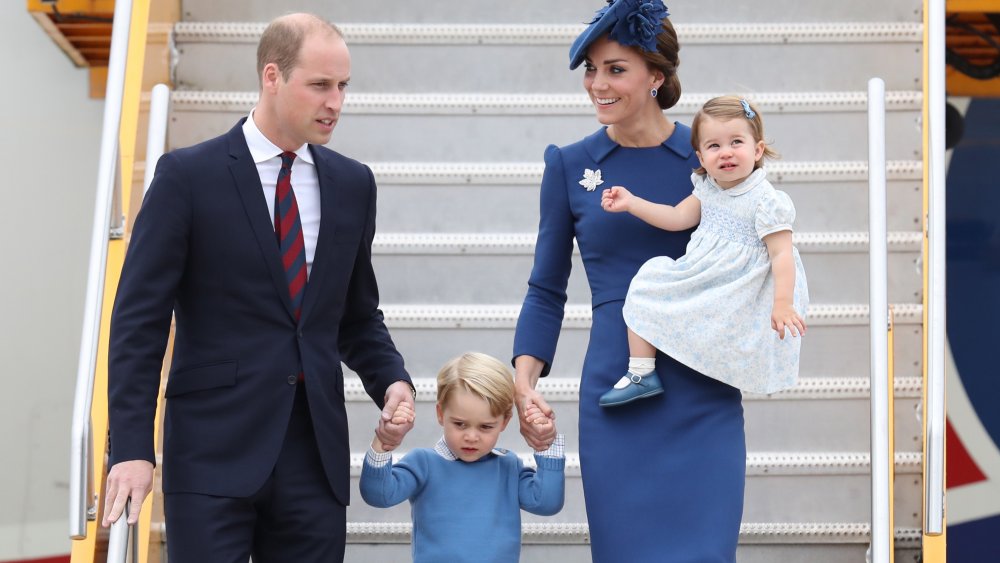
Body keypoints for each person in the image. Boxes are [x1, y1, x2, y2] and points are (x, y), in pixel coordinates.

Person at [102, 13, 416, 562]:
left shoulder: (352, 183)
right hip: (210, 455)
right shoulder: (186, 177)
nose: (335, 102)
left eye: (343, 86)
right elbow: (138, 321)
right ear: (272, 76)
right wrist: (130, 447)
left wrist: (391, 379)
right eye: (319, 85)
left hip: (313, 459)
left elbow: (356, 313)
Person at [512, 0, 747, 560]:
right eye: (591, 69)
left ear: (656, 76)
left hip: (703, 389)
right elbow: (546, 287)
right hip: (617, 393)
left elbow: (756, 250)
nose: (598, 83)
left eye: (616, 68)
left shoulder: (711, 155)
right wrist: (524, 380)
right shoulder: (570, 165)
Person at [598, 96, 809, 407]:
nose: (726, 152)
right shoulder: (707, 188)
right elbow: (677, 217)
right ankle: (642, 373)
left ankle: (710, 368)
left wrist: (782, 303)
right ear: (700, 155)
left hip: (743, 288)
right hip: (706, 275)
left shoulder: (767, 200)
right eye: (714, 146)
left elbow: (782, 254)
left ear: (758, 149)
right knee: (648, 282)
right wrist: (632, 203)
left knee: (726, 327)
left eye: (736, 142)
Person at [360, 352, 565, 563]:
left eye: (485, 426)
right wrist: (383, 445)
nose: (471, 437)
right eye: (460, 424)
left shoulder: (508, 467)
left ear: (504, 422)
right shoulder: (423, 463)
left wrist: (545, 445)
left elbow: (547, 502)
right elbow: (378, 495)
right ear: (441, 414)